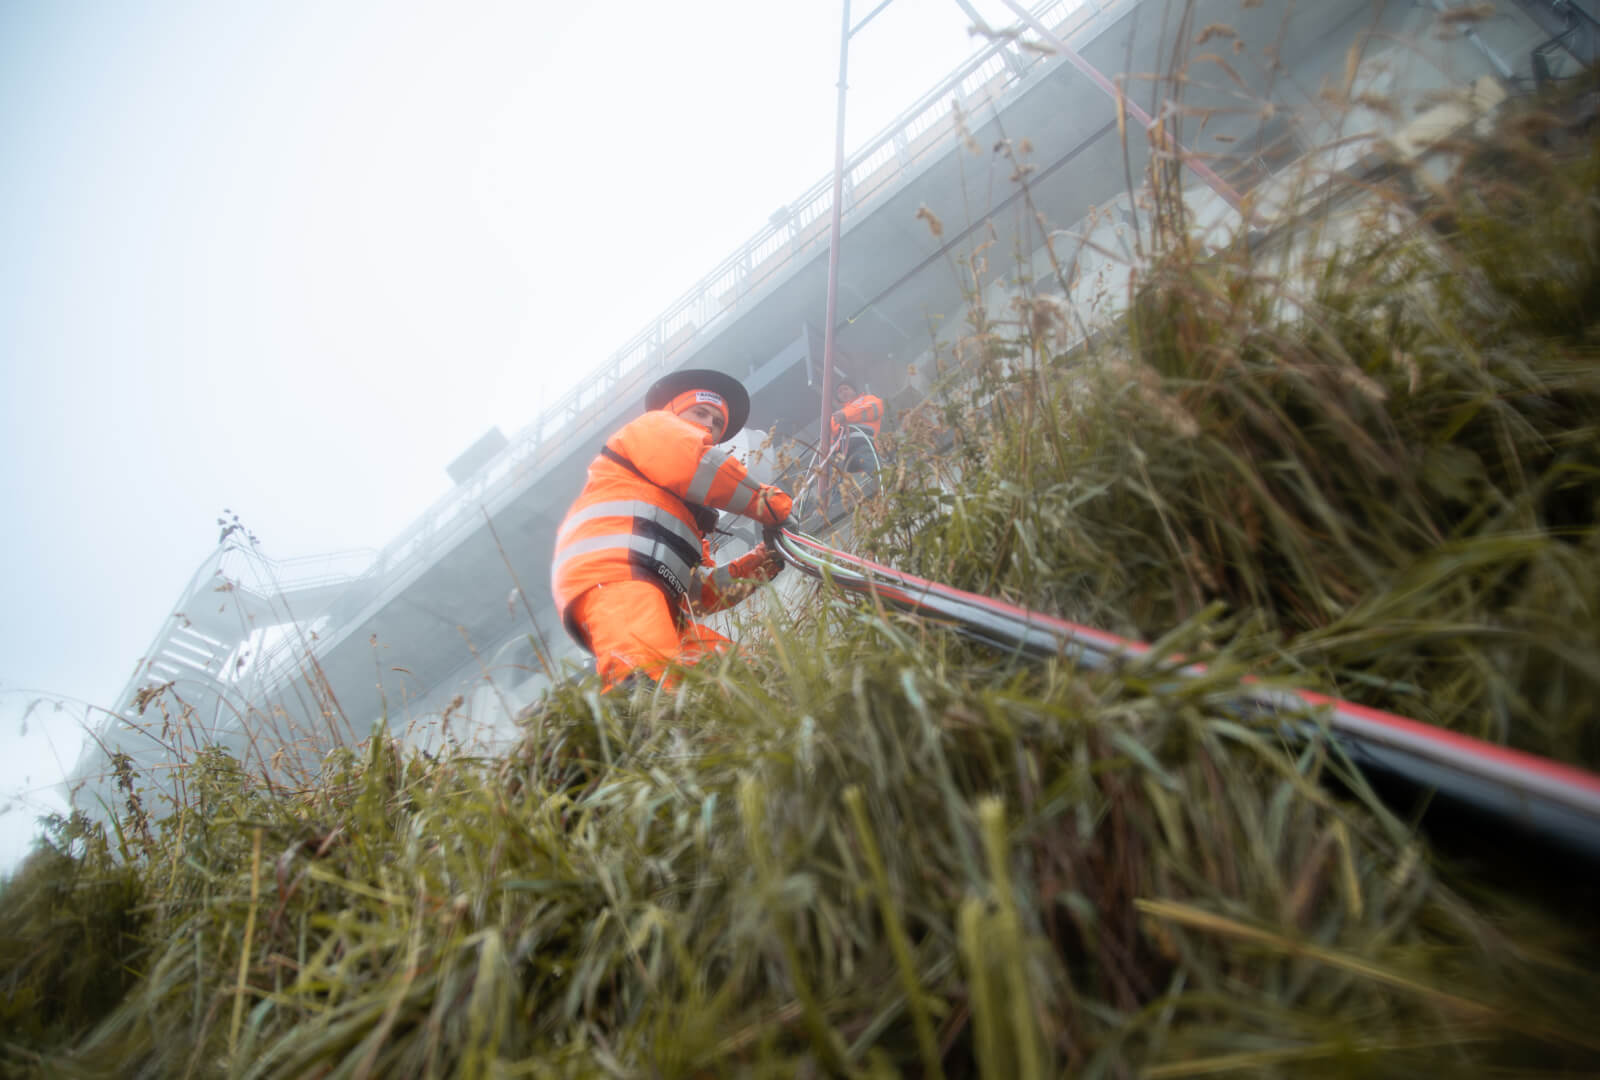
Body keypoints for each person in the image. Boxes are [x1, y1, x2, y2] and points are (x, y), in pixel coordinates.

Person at [551, 368, 793, 691]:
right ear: (675, 412)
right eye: (701, 412)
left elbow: (701, 593)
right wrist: (773, 506)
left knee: (748, 678)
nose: (709, 424)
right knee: (646, 682)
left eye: (717, 423)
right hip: (615, 580)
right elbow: (698, 463)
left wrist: (767, 560)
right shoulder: (655, 428)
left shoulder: (682, 513)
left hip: (660, 602)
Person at [827, 378, 885, 474]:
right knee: (830, 474)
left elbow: (874, 409)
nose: (843, 392)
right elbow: (831, 432)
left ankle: (886, 483)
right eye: (840, 392)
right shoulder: (838, 415)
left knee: (877, 472)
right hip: (842, 454)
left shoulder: (867, 400)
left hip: (863, 446)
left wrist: (845, 416)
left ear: (854, 390)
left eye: (846, 389)